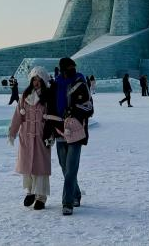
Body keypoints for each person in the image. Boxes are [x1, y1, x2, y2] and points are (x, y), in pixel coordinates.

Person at [50, 57, 92, 215]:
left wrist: (73, 111)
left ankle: (67, 202)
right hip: (60, 130)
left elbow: (89, 107)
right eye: (68, 67)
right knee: (64, 166)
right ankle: (76, 193)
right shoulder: (55, 85)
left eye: (72, 67)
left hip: (76, 131)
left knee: (72, 167)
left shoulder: (80, 83)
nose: (71, 69)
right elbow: (50, 107)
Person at [8, 66, 53, 211]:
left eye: (39, 80)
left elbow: (51, 118)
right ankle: (30, 191)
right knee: (28, 165)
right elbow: (18, 116)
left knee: (40, 167)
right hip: (26, 135)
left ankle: (41, 197)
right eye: (34, 79)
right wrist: (12, 132)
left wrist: (51, 134)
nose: (36, 83)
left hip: (41, 135)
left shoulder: (48, 97)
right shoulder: (25, 96)